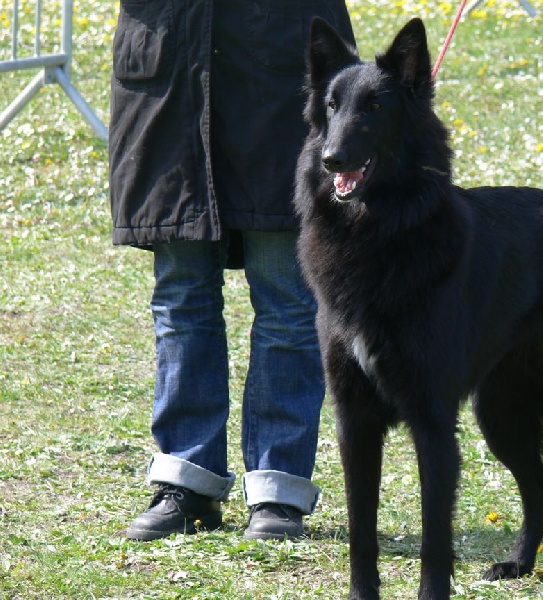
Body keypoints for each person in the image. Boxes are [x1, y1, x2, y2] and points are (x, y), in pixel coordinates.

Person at [107, 0, 356, 541]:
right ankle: (186, 480)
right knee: (181, 297)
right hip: (167, 74)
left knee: (288, 301)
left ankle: (278, 490)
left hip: (282, 71)